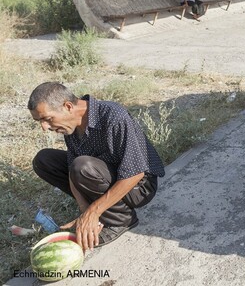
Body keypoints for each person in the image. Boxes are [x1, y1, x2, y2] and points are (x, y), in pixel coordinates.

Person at [28, 82, 165, 252]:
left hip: (139, 187)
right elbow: (72, 170)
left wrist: (93, 212)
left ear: (68, 106)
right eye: (39, 121)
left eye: (47, 119)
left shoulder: (113, 116)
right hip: (101, 174)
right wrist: (85, 211)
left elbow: (135, 173)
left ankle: (121, 220)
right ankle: (103, 212)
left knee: (82, 166)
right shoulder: (70, 125)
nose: (44, 127)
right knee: (44, 160)